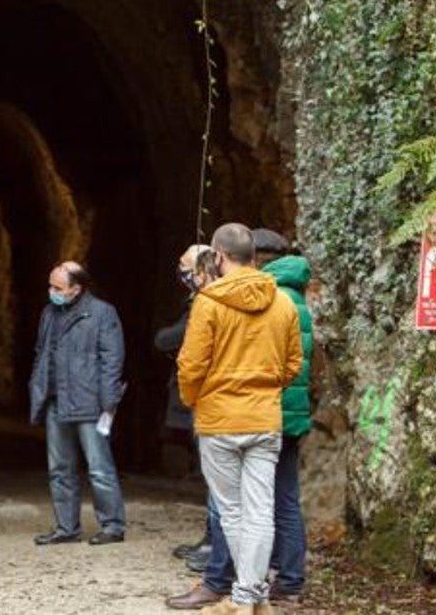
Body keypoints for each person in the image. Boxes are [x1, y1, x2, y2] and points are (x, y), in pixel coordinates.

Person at [175, 224, 302, 615]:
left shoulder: (209, 302)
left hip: (220, 419)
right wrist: (265, 389)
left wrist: (195, 399)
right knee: (261, 511)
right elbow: (293, 364)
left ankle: (246, 597)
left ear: (218, 256)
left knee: (232, 511)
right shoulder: (281, 302)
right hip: (264, 419)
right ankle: (253, 595)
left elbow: (191, 365)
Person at [28, 261, 127, 546]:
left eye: (58, 287)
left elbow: (111, 360)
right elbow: (41, 353)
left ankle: (112, 525)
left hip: (89, 402)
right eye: (50, 286)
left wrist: (108, 402)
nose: (52, 292)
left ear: (76, 288)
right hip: (56, 400)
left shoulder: (102, 313)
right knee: (59, 468)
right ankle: (66, 527)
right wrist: (38, 387)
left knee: (99, 467)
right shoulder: (49, 313)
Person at [252, 228, 314, 604]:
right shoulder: (295, 294)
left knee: (280, 499)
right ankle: (285, 572)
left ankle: (289, 577)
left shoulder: (277, 297)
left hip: (275, 412)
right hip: (290, 412)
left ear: (260, 257)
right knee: (282, 495)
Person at [155, 246, 220, 565]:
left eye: (184, 268)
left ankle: (216, 550)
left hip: (212, 403)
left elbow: (175, 342)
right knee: (214, 478)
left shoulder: (209, 303)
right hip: (218, 403)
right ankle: (212, 542)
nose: (180, 274)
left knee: (218, 480)